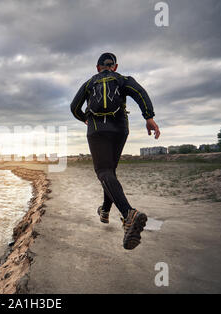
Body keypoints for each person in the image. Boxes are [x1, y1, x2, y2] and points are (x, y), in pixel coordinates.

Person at [70, 52, 160, 250]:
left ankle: (129, 214)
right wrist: (149, 117)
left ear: (98, 68)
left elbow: (74, 107)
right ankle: (104, 211)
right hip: (120, 129)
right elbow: (140, 93)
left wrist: (85, 118)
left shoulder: (89, 83)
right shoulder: (123, 80)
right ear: (115, 66)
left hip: (97, 130)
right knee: (109, 171)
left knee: (103, 172)